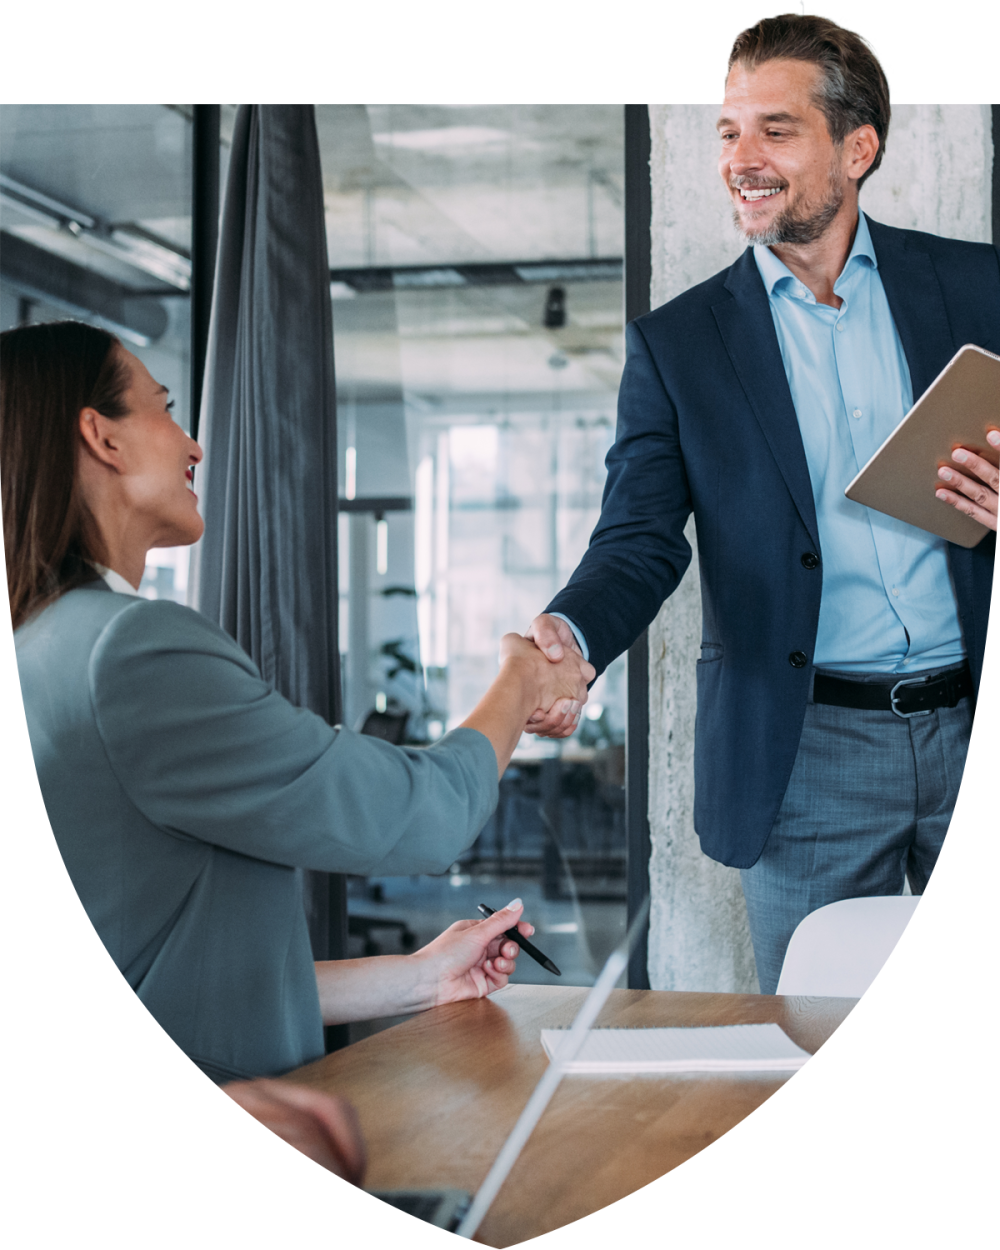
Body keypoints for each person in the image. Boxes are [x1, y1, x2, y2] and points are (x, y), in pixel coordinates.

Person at [6, 320, 594, 1176]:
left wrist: (418, 978)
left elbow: (172, 975)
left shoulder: (42, 640)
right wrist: (517, 680)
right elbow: (420, 816)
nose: (194, 442)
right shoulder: (129, 651)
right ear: (100, 436)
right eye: (167, 410)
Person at [524, 15, 998, 993]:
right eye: (727, 130)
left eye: (773, 130)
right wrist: (572, 631)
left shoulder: (978, 286)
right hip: (809, 753)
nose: (741, 157)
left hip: (969, 705)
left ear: (854, 147)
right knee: (815, 1030)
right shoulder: (679, 346)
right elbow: (638, 538)